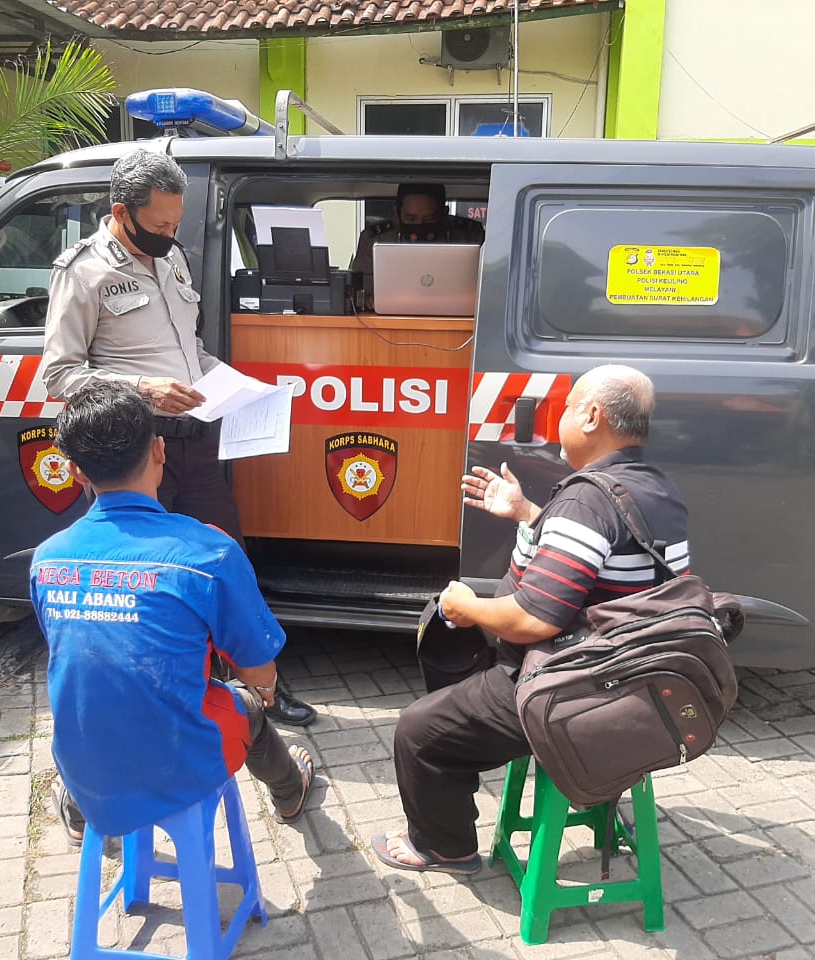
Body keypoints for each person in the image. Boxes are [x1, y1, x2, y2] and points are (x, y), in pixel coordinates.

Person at [369, 364, 690, 875]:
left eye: (565, 407)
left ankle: (443, 847)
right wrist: (528, 514)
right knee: (456, 679)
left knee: (418, 730)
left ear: (591, 416)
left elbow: (532, 620)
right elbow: (605, 558)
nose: (558, 418)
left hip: (568, 684)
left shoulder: (587, 499)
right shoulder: (652, 489)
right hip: (630, 675)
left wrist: (465, 607)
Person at [42, 146, 316, 727]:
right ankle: (148, 703)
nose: (171, 233)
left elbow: (187, 353)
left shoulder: (172, 261)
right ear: (122, 211)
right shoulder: (83, 271)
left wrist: (237, 384)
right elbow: (60, 375)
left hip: (192, 442)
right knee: (140, 574)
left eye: (176, 222)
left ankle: (261, 692)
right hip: (134, 449)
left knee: (227, 557)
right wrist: (145, 388)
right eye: (160, 224)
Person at [30, 381, 317, 847]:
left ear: (75, 471)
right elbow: (256, 664)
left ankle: (83, 808)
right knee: (247, 707)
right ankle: (289, 789)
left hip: (83, 758)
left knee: (101, 718)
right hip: (178, 760)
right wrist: (264, 691)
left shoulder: (48, 558)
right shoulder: (208, 551)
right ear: (160, 450)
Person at [350, 183, 485, 309]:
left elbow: (489, 287)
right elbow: (359, 289)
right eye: (411, 219)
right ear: (396, 215)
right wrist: (368, 300)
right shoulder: (375, 238)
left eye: (430, 219)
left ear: (444, 214)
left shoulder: (470, 236)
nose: (420, 226)